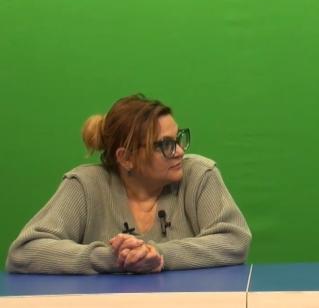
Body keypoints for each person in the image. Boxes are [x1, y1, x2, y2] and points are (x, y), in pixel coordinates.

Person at [6, 94, 252, 274]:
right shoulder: (85, 185)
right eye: (165, 145)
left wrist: (159, 254)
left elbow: (234, 240)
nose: (179, 151)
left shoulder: (199, 174)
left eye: (178, 139)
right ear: (126, 158)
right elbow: (25, 252)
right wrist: (113, 259)